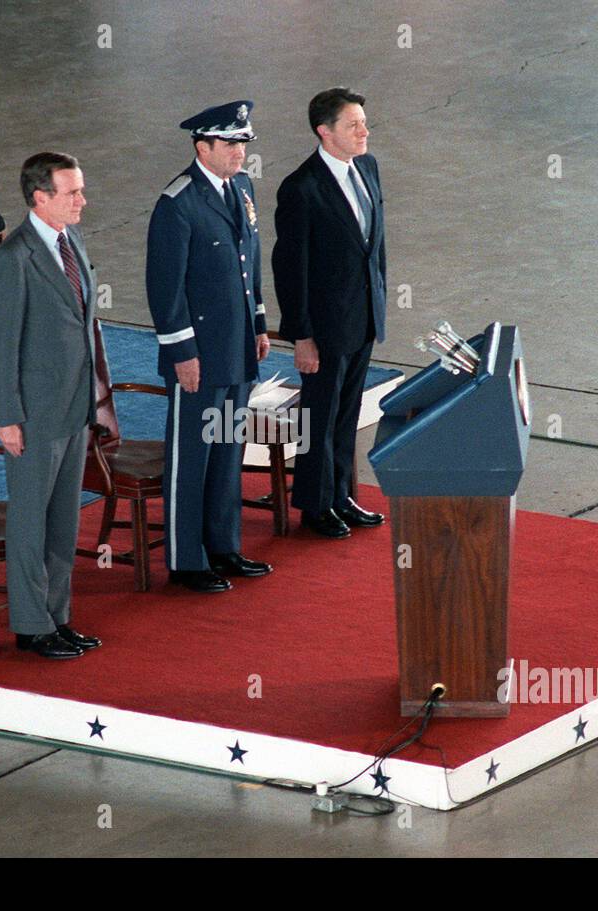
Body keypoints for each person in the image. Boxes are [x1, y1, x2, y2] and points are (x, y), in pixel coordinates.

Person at [146, 100, 273, 593]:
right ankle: (186, 559)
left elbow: (249, 264)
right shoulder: (177, 204)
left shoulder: (241, 188)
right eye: (231, 143)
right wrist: (183, 355)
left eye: (243, 143)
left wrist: (259, 324)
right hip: (198, 356)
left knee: (226, 451)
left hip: (237, 348)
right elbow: (165, 289)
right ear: (203, 147)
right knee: (192, 457)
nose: (240, 152)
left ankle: (223, 545)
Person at [0, 153, 101, 660]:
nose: (82, 201)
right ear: (40, 198)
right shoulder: (14, 259)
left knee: (63, 522)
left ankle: (58, 617)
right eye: (71, 193)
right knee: (30, 523)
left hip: (73, 409)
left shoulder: (69, 240)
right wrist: (6, 417)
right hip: (33, 416)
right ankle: (31, 626)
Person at [271, 88, 387, 538]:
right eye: (353, 124)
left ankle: (341, 496)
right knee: (319, 417)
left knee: (347, 412)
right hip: (324, 326)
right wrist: (302, 335)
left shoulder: (368, 168)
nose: (364, 131)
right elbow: (290, 268)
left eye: (364, 121)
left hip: (362, 318)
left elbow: (375, 248)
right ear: (325, 131)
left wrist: (378, 303)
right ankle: (316, 506)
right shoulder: (302, 188)